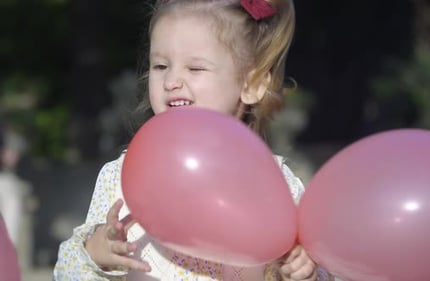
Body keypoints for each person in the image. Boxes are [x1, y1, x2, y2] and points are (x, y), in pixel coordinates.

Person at [54, 0, 334, 280]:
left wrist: (302, 271)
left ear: (252, 84)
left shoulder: (276, 184)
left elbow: (313, 266)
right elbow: (66, 274)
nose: (172, 80)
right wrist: (97, 252)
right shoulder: (122, 176)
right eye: (161, 65)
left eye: (195, 68)